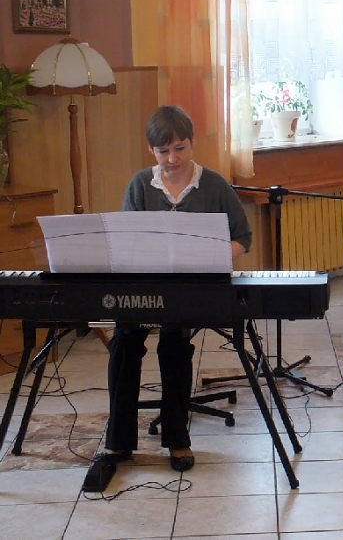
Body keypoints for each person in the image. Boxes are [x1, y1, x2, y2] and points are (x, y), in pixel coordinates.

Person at [100, 106, 252, 472]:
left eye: (179, 148)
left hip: (191, 286)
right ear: (151, 150)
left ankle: (177, 439)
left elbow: (242, 237)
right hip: (145, 284)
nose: (172, 159)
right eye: (163, 151)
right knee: (124, 341)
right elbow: (127, 242)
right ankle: (118, 441)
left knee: (174, 342)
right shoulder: (140, 185)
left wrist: (212, 256)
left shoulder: (213, 185)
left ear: (192, 142)